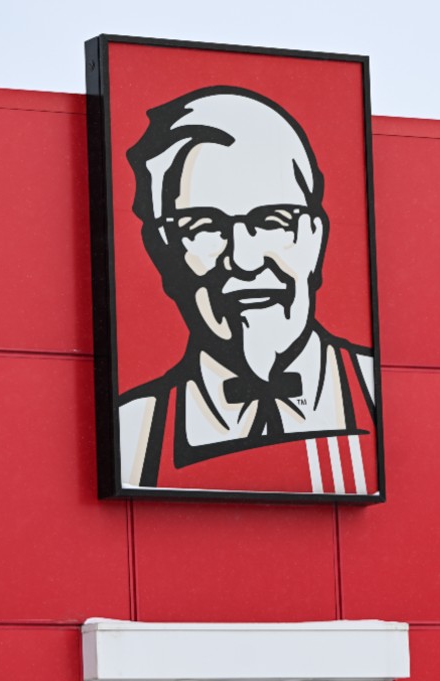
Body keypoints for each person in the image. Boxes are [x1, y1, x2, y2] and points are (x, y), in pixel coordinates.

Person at [116, 86, 377, 496]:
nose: (244, 259)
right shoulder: (131, 436)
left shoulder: (380, 396)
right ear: (163, 252)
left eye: (273, 221)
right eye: (203, 227)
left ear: (314, 238)